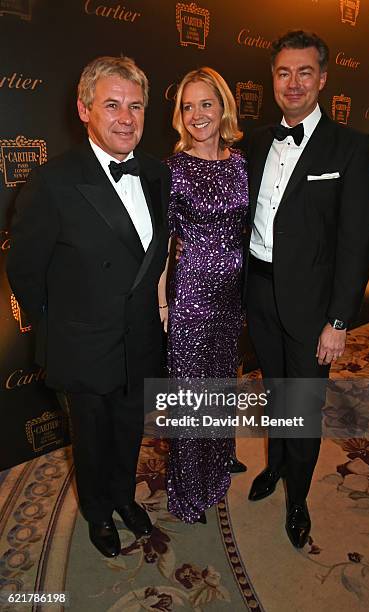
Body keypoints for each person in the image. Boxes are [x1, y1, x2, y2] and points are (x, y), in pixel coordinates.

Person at [7, 56, 170, 558]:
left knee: (127, 431)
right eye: (113, 105)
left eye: (136, 106)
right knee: (92, 440)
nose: (127, 118)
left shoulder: (158, 174)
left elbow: (154, 257)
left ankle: (122, 497)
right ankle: (98, 512)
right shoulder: (53, 181)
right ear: (84, 110)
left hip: (140, 337)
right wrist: (63, 328)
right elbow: (25, 271)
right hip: (84, 343)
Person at [246, 31, 369, 547]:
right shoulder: (256, 142)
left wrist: (339, 320)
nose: (293, 83)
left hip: (314, 309)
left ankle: (297, 495)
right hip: (258, 292)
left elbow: (354, 246)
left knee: (302, 407)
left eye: (305, 72)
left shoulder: (351, 146)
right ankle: (275, 465)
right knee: (274, 393)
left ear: (322, 78)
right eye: (283, 72)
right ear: (273, 80)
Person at [158, 67, 249, 524]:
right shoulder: (172, 170)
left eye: (205, 104)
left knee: (221, 385)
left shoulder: (240, 164)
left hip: (231, 297)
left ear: (223, 107)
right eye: (187, 106)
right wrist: (162, 305)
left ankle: (217, 461)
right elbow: (160, 245)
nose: (197, 115)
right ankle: (189, 489)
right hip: (191, 293)